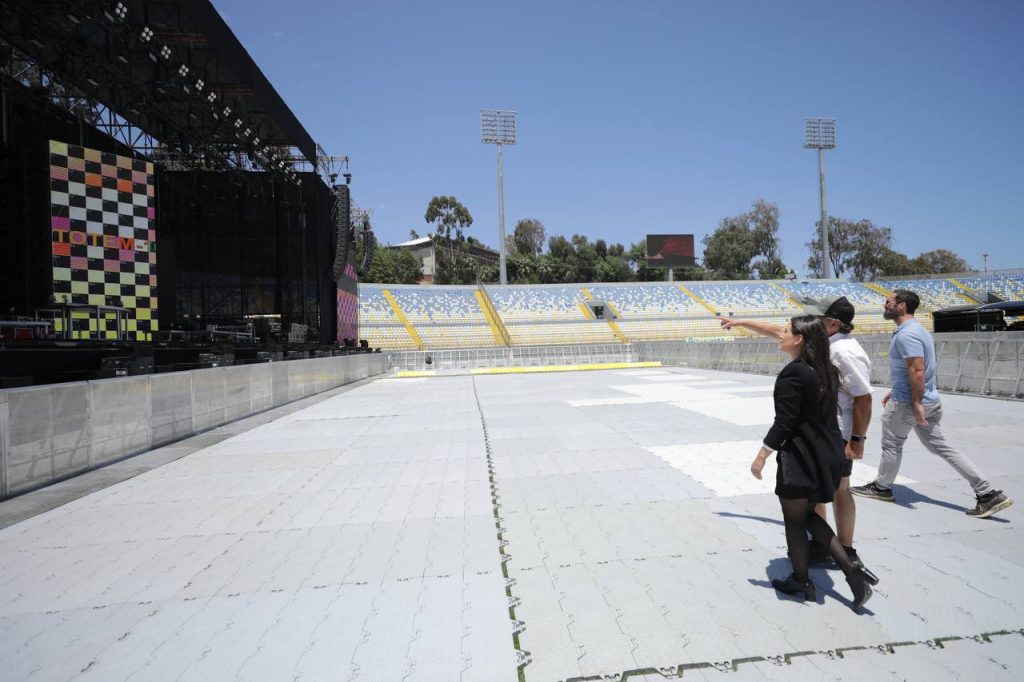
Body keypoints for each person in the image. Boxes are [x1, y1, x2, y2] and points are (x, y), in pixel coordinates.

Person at [722, 296, 875, 575]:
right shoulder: (820, 342)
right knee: (815, 494)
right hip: (821, 432)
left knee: (839, 489)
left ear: (833, 323)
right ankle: (823, 546)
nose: (811, 320)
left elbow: (863, 397)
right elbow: (778, 332)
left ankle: (847, 551)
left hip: (837, 434)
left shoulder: (844, 352)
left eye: (818, 317)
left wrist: (857, 440)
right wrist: (741, 322)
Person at [851, 290, 1014, 518]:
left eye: (888, 302)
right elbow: (917, 368)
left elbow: (917, 369)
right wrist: (897, 389)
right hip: (926, 400)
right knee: (941, 447)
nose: (884, 305)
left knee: (892, 444)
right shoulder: (918, 330)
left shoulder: (907, 334)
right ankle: (987, 493)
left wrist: (916, 403)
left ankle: (882, 487)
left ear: (902, 306)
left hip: (908, 403)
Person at [750, 316, 874, 611]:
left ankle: (802, 581)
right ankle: (851, 570)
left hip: (801, 455)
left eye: (786, 331)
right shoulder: (826, 370)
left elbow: (784, 422)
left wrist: (762, 455)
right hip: (827, 453)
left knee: (794, 519)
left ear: (799, 339)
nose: (780, 334)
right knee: (806, 515)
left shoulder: (794, 374)